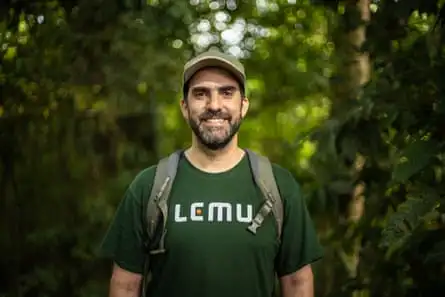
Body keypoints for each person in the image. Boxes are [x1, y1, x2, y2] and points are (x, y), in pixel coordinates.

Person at [99, 48, 324, 297]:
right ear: (185, 107)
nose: (214, 105)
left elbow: (297, 283)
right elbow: (125, 285)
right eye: (201, 94)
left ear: (243, 105)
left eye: (227, 93)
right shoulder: (149, 186)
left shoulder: (279, 187)